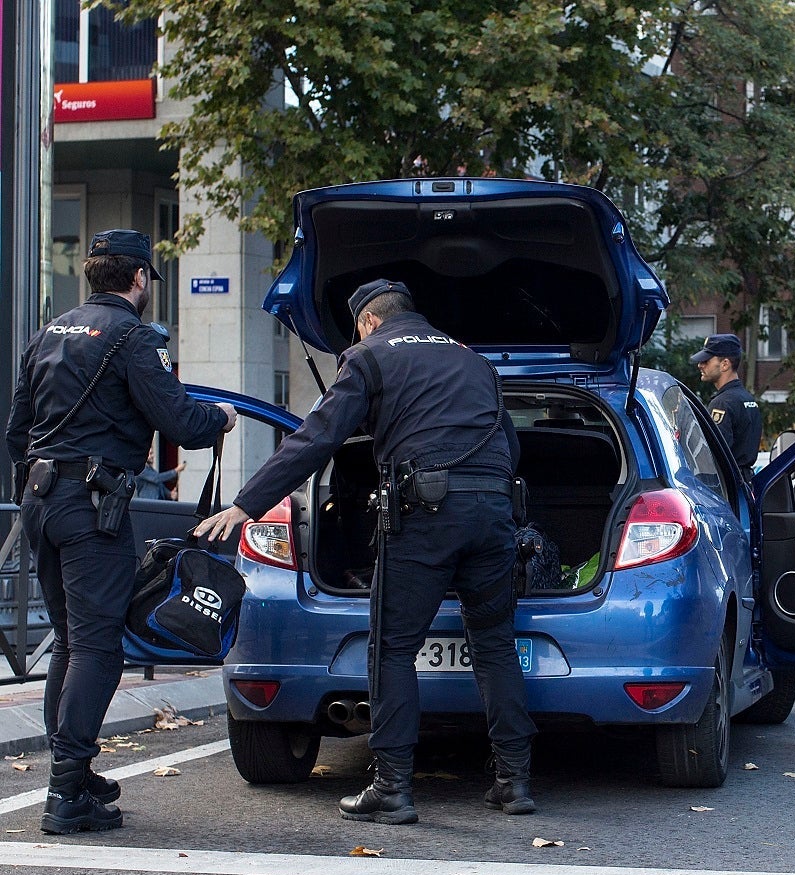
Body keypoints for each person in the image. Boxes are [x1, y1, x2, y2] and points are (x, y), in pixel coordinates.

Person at [194, 279, 535, 825]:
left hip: (423, 517)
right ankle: (513, 781)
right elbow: (511, 448)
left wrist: (245, 505)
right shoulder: (473, 361)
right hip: (494, 514)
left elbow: (316, 439)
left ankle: (393, 787)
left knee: (393, 648)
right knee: (494, 646)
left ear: (369, 322)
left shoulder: (368, 357)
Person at [5, 229, 237, 835]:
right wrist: (222, 417)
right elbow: (181, 423)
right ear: (138, 279)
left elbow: (16, 431)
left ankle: (74, 776)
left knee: (69, 638)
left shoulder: (49, 332)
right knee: (99, 647)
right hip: (91, 504)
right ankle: (64, 795)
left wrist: (33, 490)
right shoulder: (134, 339)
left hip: (40, 499)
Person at [692, 333, 762, 479]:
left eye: (706, 361)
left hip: (728, 485)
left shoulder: (722, 403)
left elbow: (714, 455)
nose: (700, 365)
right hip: (745, 481)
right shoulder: (746, 398)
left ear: (725, 364)